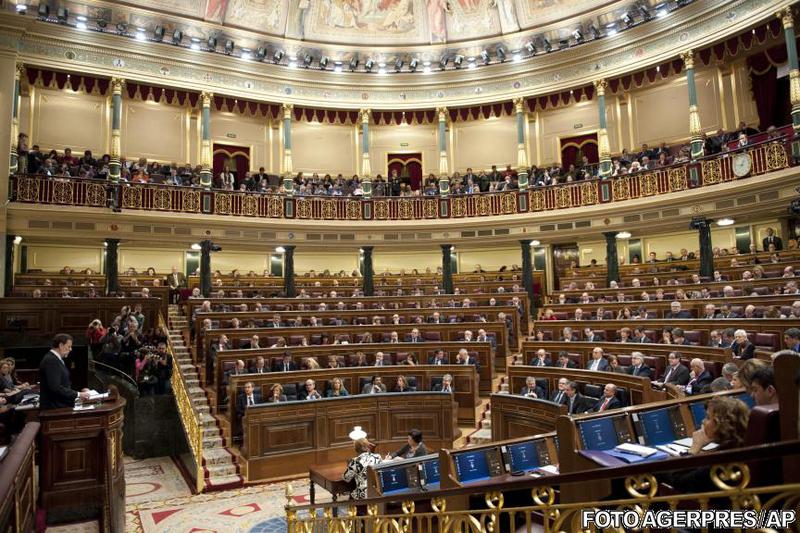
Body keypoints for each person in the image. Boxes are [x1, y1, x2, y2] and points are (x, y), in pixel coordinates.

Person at [661, 396, 749, 492]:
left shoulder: (722, 459)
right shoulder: (741, 446)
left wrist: (693, 449)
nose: (703, 422)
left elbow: (679, 482)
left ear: (722, 424)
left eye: (708, 418)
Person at [39, 334, 91, 409]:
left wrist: (80, 392)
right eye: (69, 346)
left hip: (59, 406)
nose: (71, 349)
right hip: (55, 409)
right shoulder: (51, 361)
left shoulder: (55, 359)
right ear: (61, 345)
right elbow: (55, 388)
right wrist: (78, 394)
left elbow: (64, 383)